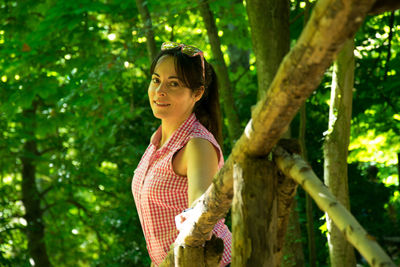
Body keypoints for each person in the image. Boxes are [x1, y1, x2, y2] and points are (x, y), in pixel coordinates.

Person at [131, 41, 232, 266]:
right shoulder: (157, 142)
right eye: (156, 80)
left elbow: (200, 210)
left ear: (197, 93)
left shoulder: (197, 145)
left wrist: (193, 219)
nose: (160, 91)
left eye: (173, 84)